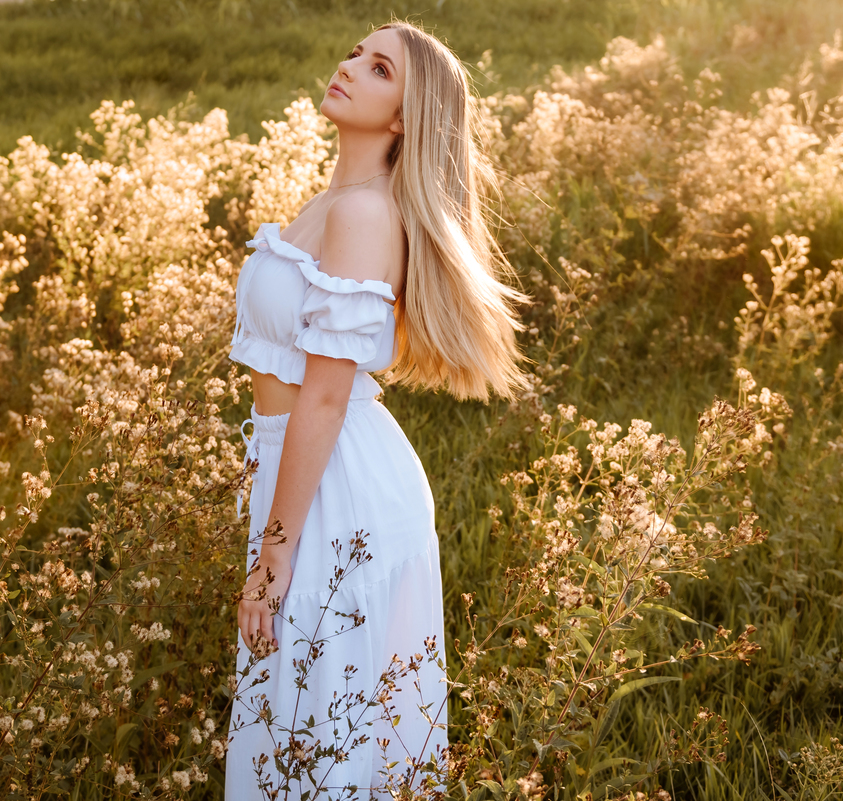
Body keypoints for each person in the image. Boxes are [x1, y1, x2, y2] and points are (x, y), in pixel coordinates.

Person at [223, 20, 526, 799]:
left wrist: (274, 557)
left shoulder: (362, 215)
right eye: (358, 51)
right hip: (307, 469)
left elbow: (325, 395)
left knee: (320, 731)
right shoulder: (337, 201)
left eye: (381, 68)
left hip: (338, 485)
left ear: (403, 119)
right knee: (300, 723)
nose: (351, 65)